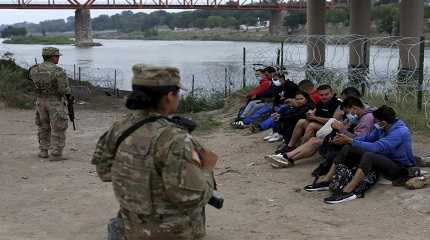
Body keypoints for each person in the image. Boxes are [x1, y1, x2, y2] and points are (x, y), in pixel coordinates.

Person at [91, 64, 217, 239]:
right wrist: (206, 170)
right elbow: (191, 197)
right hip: (170, 232)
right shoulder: (174, 138)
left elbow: (104, 171)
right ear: (169, 96)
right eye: (177, 94)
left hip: (131, 226)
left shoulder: (119, 128)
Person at [304, 106, 416, 204]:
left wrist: (350, 140)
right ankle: (327, 181)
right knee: (349, 148)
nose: (374, 124)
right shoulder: (381, 128)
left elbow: (377, 147)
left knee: (369, 155)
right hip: (385, 158)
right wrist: (345, 138)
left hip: (399, 167)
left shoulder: (400, 132)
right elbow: (365, 139)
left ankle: (348, 191)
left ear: (383, 122)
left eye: (376, 121)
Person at [29, 47, 72, 160]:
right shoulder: (58, 71)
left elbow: (31, 81)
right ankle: (56, 153)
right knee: (59, 127)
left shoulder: (34, 69)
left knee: (43, 126)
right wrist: (68, 98)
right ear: (52, 57)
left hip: (40, 101)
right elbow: (63, 90)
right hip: (54, 102)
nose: (58, 58)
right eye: (57, 56)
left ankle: (43, 150)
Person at [280, 85, 341, 153]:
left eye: (326, 94)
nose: (324, 97)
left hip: (331, 129)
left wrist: (315, 118)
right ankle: (290, 146)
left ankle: (299, 150)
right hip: (320, 125)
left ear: (332, 93)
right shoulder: (320, 103)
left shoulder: (338, 104)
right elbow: (312, 113)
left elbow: (333, 121)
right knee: (301, 121)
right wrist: (309, 115)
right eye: (321, 95)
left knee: (312, 125)